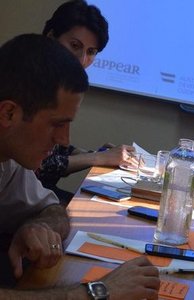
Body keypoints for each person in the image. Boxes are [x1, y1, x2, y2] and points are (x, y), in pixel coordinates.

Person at [0, 34, 159, 299]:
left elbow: (52, 209)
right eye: (57, 124)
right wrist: (98, 292)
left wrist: (39, 225)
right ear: (8, 114)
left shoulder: (9, 158)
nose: (65, 140)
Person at [38, 0, 136, 205]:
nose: (82, 60)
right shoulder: (29, 81)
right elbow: (43, 164)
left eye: (91, 52)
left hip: (41, 193)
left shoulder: (60, 84)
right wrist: (100, 159)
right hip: (24, 198)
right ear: (51, 37)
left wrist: (99, 154)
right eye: (75, 46)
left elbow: (56, 146)